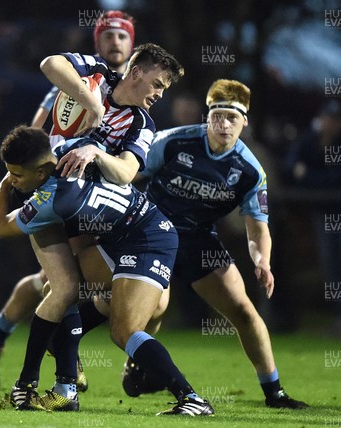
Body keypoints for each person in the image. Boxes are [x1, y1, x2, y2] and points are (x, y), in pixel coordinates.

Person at [76, 79, 309, 409]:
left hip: (198, 240)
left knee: (243, 310)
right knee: (132, 304)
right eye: (218, 116)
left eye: (232, 117)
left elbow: (258, 228)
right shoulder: (174, 142)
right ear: (207, 116)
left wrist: (263, 261)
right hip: (150, 232)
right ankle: (99, 352)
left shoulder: (250, 171)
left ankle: (275, 393)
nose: (223, 124)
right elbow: (127, 172)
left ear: (245, 122)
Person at [0, 39, 183, 388]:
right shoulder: (97, 74)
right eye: (159, 84)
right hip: (52, 192)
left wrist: (97, 152)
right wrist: (93, 104)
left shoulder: (141, 123)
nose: (161, 94)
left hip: (86, 207)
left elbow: (127, 172)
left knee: (130, 299)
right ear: (136, 72)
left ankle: (7, 337)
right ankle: (58, 381)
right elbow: (49, 63)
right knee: (64, 288)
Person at [0, 125, 214, 416]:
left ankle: (192, 399)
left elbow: (1, 228)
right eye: (9, 174)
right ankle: (65, 390)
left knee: (123, 331)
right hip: (124, 236)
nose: (13, 179)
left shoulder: (54, 199)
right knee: (60, 292)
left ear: (41, 173)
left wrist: (1, 191)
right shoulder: (72, 149)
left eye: (17, 175)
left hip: (148, 239)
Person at [283, 101, 341, 338]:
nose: (329, 124)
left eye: (334, 119)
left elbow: (338, 180)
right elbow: (290, 167)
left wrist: (307, 176)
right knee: (331, 269)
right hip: (323, 213)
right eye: (326, 118)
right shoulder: (310, 140)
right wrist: (306, 174)